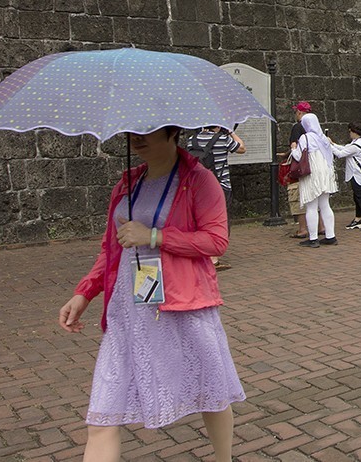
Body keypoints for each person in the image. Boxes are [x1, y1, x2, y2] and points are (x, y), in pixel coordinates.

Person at [58, 126, 245, 462]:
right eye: (132, 131)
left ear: (173, 131)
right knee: (102, 413)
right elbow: (111, 248)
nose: (137, 138)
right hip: (128, 311)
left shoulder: (198, 180)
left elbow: (216, 241)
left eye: (147, 130)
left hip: (183, 306)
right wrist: (85, 292)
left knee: (212, 394)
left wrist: (155, 236)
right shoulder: (127, 184)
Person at [185, 125, 245, 270]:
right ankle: (213, 258)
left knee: (199, 220)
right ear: (218, 125)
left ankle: (200, 254)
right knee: (218, 221)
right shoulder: (223, 139)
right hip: (220, 187)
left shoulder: (192, 140)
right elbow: (242, 148)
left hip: (197, 188)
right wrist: (231, 131)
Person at [293, 109, 338, 245]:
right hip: (325, 172)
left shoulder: (305, 138)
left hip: (312, 173)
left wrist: (293, 149)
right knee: (325, 205)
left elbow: (298, 156)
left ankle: (313, 239)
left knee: (311, 207)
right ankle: (330, 236)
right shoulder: (324, 138)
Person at [332, 123, 361, 232]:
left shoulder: (356, 146)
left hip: (356, 174)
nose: (349, 133)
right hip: (356, 174)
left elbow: (340, 154)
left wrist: (328, 145)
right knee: (357, 196)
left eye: (350, 131)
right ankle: (357, 219)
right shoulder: (358, 141)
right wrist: (332, 144)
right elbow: (345, 148)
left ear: (354, 132)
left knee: (360, 196)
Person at [287, 102, 313, 239]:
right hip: (313, 166)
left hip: (300, 168)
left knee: (298, 197)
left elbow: (295, 149)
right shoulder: (315, 129)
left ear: (299, 113)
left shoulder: (297, 127)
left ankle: (302, 229)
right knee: (315, 198)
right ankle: (321, 226)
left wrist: (290, 150)